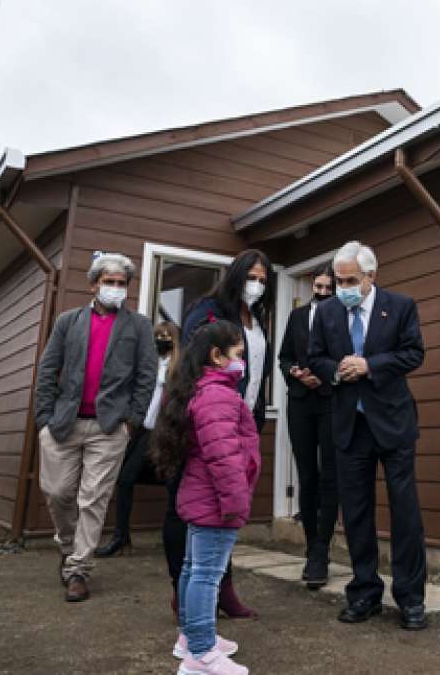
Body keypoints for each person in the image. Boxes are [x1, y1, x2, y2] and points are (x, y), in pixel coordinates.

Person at [308, 241, 428, 631]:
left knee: (405, 512)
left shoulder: (401, 305)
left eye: (350, 281)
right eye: (338, 279)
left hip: (393, 423)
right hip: (349, 425)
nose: (341, 287)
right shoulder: (325, 312)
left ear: (371, 277)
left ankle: (411, 598)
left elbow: (413, 353)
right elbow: (315, 358)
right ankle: (364, 593)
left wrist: (369, 365)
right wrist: (336, 371)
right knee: (356, 513)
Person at [34, 251, 157, 602]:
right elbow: (47, 370)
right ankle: (68, 545)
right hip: (62, 424)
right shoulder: (68, 322)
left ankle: (78, 570)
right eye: (109, 282)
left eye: (121, 283)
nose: (116, 289)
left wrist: (131, 421)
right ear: (94, 284)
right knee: (58, 493)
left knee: (93, 499)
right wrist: (44, 418)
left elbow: (146, 378)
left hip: (108, 428)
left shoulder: (139, 326)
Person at [153, 320, 258, 675]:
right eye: (238, 355)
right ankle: (201, 653)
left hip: (202, 497)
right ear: (216, 356)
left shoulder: (202, 390)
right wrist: (236, 501)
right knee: (207, 575)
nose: (242, 363)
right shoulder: (217, 396)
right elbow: (223, 456)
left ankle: (189, 637)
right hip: (216, 502)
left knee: (191, 568)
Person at [174, 249, 273, 619]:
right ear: (236, 276)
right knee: (202, 511)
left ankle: (216, 589)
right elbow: (193, 360)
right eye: (252, 277)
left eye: (264, 280)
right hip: (211, 417)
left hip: (243, 418)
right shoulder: (209, 310)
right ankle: (189, 596)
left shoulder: (258, 317)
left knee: (219, 519)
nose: (257, 286)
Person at [95, 320, 180, 559]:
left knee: (171, 484)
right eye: (158, 335)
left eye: (167, 336)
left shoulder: (179, 368)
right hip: (144, 430)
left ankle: (176, 537)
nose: (162, 339)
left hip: (165, 432)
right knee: (124, 479)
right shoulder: (148, 365)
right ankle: (121, 537)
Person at [277, 264, 338, 589]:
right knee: (307, 475)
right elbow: (284, 357)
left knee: (330, 474)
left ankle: (322, 551)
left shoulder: (342, 316)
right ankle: (312, 545)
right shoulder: (297, 317)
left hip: (330, 400)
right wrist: (295, 372)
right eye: (319, 286)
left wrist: (324, 375)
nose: (323, 292)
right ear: (312, 285)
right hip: (300, 401)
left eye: (330, 288)